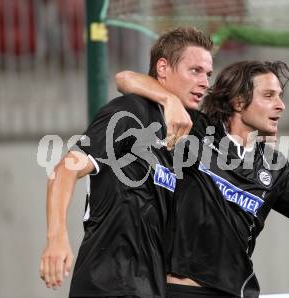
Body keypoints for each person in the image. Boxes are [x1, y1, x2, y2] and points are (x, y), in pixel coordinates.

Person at [115, 60, 289, 297]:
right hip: (180, 290)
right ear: (239, 102)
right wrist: (170, 101)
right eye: (269, 96)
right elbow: (125, 79)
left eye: (280, 97)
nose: (280, 105)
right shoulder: (197, 131)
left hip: (236, 292)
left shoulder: (276, 168)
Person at [39, 27, 213, 298]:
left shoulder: (188, 136)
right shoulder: (130, 112)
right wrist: (56, 238)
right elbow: (64, 170)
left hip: (149, 288)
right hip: (108, 284)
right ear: (163, 68)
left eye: (208, 74)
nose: (205, 82)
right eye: (195, 71)